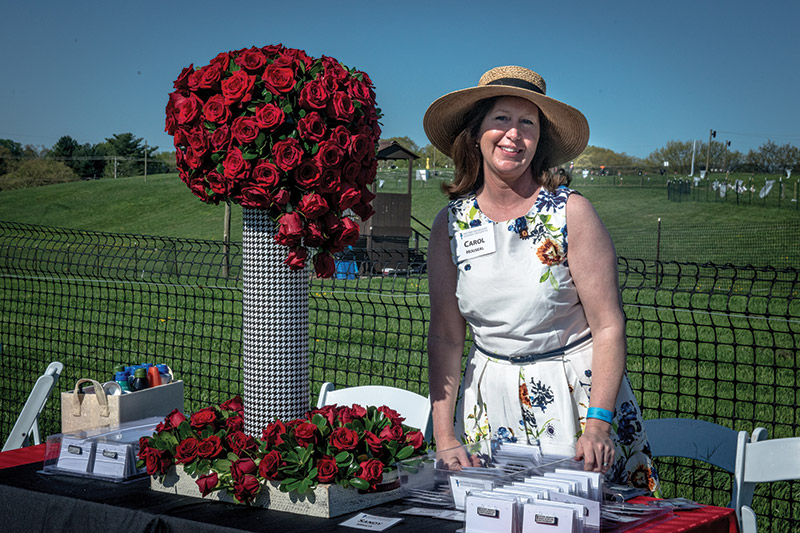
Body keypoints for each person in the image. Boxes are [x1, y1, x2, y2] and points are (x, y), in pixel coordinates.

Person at [423, 66, 658, 490]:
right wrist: (444, 436)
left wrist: (599, 424)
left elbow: (608, 326)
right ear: (476, 132)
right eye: (501, 119)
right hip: (487, 404)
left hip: (576, 407)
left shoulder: (572, 213)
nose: (513, 134)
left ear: (539, 141)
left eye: (526, 123)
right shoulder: (451, 224)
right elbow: (444, 336)